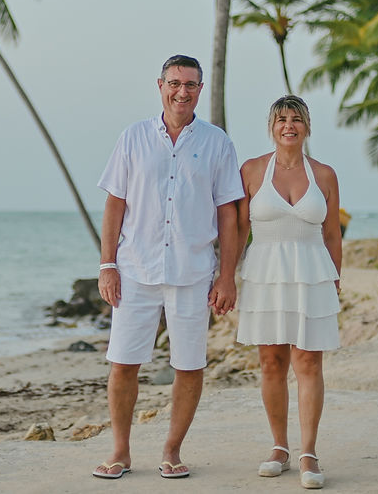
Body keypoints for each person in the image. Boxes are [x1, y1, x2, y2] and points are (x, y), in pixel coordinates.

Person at [92, 55, 244, 480]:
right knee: (123, 362)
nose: (182, 91)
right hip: (135, 268)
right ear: (159, 85)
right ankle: (120, 450)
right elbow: (115, 203)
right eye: (174, 83)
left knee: (190, 365)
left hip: (193, 272)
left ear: (200, 88)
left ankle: (172, 450)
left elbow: (228, 213)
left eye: (191, 84)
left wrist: (227, 275)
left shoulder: (218, 143)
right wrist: (107, 265)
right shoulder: (133, 137)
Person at [235, 95, 342, 490]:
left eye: (296, 119)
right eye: (281, 119)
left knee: (309, 364)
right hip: (264, 272)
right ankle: (279, 447)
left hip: (312, 273)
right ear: (271, 126)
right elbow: (236, 230)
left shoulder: (325, 175)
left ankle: (309, 453)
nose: (289, 126)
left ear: (307, 127)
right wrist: (225, 276)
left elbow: (332, 235)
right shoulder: (251, 170)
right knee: (270, 363)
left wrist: (335, 279)